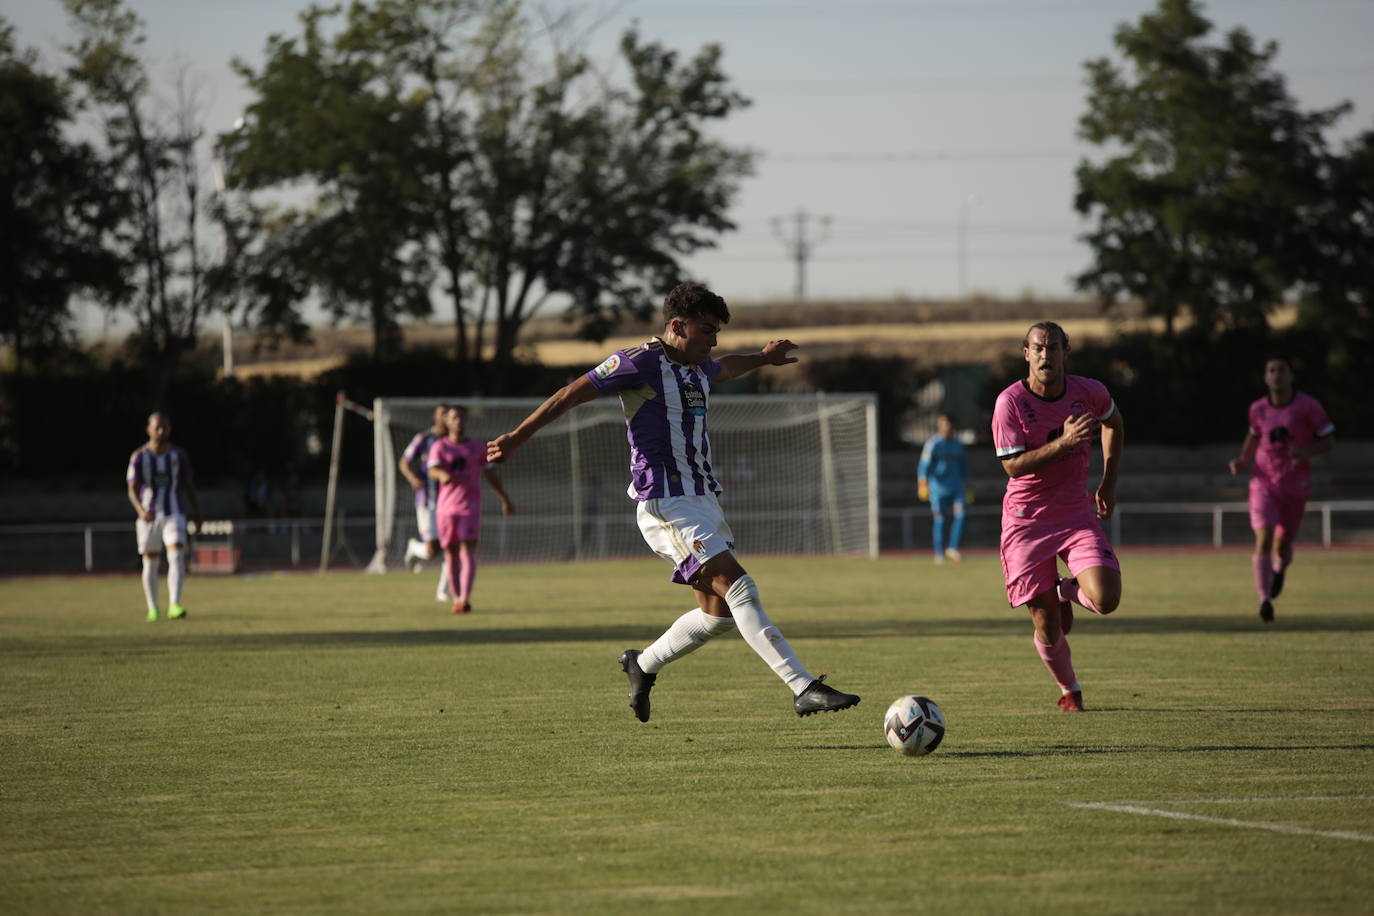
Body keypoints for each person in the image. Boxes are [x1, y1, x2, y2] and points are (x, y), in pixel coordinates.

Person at [487, 282, 860, 722]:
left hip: (703, 500)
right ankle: (802, 686)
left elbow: (725, 368)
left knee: (718, 614)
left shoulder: (697, 366)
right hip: (666, 502)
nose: (713, 340)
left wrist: (762, 358)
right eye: (707, 330)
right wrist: (516, 437)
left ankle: (641, 664)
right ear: (677, 325)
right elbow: (570, 394)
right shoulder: (638, 362)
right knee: (740, 587)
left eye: (717, 331)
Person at [991, 322, 1124, 712]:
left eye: (1053, 347)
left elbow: (1114, 423)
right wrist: (1064, 442)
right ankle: (1070, 690)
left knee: (1106, 599)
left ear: (1066, 352)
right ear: (1026, 353)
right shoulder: (1010, 402)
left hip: (1074, 514)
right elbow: (1013, 467)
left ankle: (1065, 589)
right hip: (1026, 521)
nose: (1046, 354)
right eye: (1038, 348)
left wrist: (1109, 482)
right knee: (1051, 626)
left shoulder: (1090, 392)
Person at [1227, 355, 1335, 623]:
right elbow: (1253, 436)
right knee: (1263, 538)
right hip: (1263, 482)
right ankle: (1264, 600)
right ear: (1266, 378)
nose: (1277, 375)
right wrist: (1243, 460)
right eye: (1271, 370)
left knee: (1284, 544)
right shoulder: (1258, 409)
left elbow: (1329, 439)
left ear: (1291, 376)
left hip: (1295, 484)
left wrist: (1307, 451)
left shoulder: (1308, 406)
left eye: (1282, 370)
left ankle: (1280, 568)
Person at [427, 404, 514, 614]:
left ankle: (465, 598)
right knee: (450, 552)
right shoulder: (440, 446)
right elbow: (432, 470)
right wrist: (442, 475)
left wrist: (505, 499)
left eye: (461, 417)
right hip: (445, 508)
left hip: (470, 506)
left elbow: (491, 475)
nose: (458, 421)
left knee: (468, 549)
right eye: (454, 417)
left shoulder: (477, 447)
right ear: (446, 421)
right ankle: (457, 598)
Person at [126, 412, 203, 622]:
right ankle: (153, 608)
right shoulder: (140, 457)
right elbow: (131, 488)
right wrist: (140, 510)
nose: (161, 431)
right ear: (148, 429)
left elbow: (189, 485)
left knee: (176, 555)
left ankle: (174, 605)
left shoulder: (178, 456)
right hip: (148, 517)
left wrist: (197, 512)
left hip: (174, 513)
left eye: (165, 427)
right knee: (150, 563)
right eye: (157, 427)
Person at [400, 404, 450, 601]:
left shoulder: (455, 441)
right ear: (435, 416)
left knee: (451, 547)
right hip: (427, 500)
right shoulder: (424, 439)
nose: (446, 417)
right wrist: (413, 479)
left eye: (448, 414)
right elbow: (404, 461)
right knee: (431, 551)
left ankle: (443, 591)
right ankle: (413, 547)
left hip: (450, 502)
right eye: (442, 414)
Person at [918, 412, 971, 563]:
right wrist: (923, 485)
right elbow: (923, 466)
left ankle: (953, 548)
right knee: (940, 520)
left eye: (948, 424)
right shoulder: (933, 444)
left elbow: (963, 467)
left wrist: (968, 485)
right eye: (943, 424)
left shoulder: (958, 444)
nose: (946, 427)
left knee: (961, 515)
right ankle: (939, 554)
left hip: (956, 487)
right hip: (937, 488)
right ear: (939, 426)